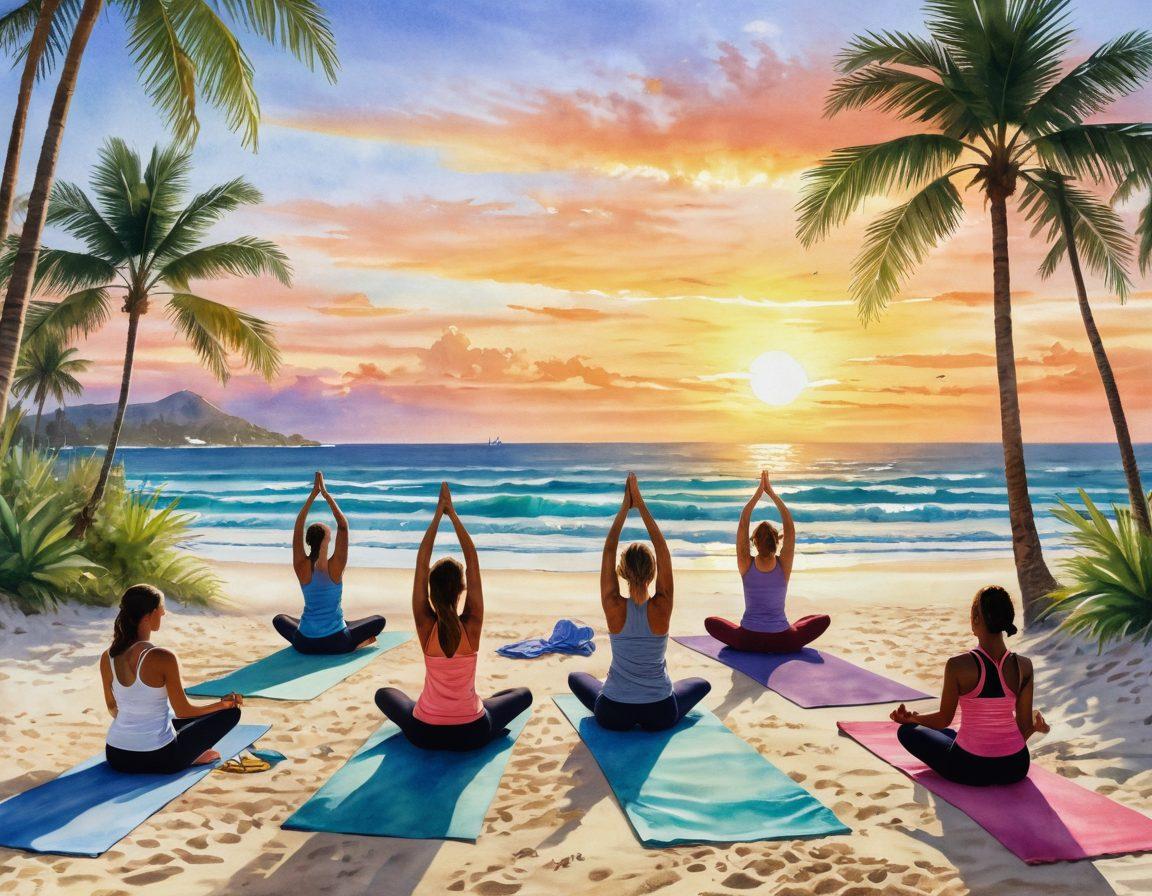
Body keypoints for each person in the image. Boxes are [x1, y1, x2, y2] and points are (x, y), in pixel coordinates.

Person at [374, 483, 532, 751]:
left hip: (425, 733)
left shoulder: (425, 625)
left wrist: (438, 515)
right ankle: (481, 714)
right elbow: (473, 561)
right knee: (522, 695)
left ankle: (448, 710)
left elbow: (421, 563)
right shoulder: (472, 624)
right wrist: (453, 515)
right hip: (472, 732)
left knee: (384, 695)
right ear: (462, 589)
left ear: (431, 591)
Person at [568, 473, 711, 731]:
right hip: (660, 712)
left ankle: (615, 693)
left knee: (576, 678)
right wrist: (641, 504)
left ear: (621, 571)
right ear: (653, 571)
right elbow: (663, 550)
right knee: (702, 684)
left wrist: (625, 508)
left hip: (613, 712)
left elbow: (609, 550)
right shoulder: (662, 605)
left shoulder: (613, 605)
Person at [889, 585, 1049, 786]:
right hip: (1016, 766)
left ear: (975, 619)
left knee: (907, 732)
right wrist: (1034, 728)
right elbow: (1023, 728)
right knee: (949, 734)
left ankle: (917, 727)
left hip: (970, 767)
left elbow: (943, 719)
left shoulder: (958, 665)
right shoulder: (1024, 666)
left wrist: (911, 719)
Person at [100, 584, 243, 774]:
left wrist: (137, 725)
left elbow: (112, 707)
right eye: (161, 609)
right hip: (161, 758)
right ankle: (192, 757)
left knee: (169, 718)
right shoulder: (162, 657)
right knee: (231, 714)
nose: (164, 613)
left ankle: (184, 749)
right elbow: (183, 711)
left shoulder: (108, 656)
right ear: (149, 615)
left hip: (117, 755)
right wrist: (222, 705)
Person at [704, 471, 829, 653]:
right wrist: (771, 493)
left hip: (747, 639)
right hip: (782, 640)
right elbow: (790, 528)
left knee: (711, 622)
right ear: (777, 541)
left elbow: (743, 522)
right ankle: (792, 628)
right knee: (822, 619)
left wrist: (757, 494)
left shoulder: (746, 564)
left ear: (753, 542)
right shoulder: (783, 565)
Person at [274, 471, 386, 655]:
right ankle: (354, 643)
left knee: (279, 619)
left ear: (308, 541)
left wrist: (312, 495)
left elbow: (298, 526)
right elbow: (343, 525)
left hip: (305, 643)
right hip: (337, 642)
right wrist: (325, 494)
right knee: (379, 620)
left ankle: (329, 629)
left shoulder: (301, 566)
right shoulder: (335, 566)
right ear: (327, 540)